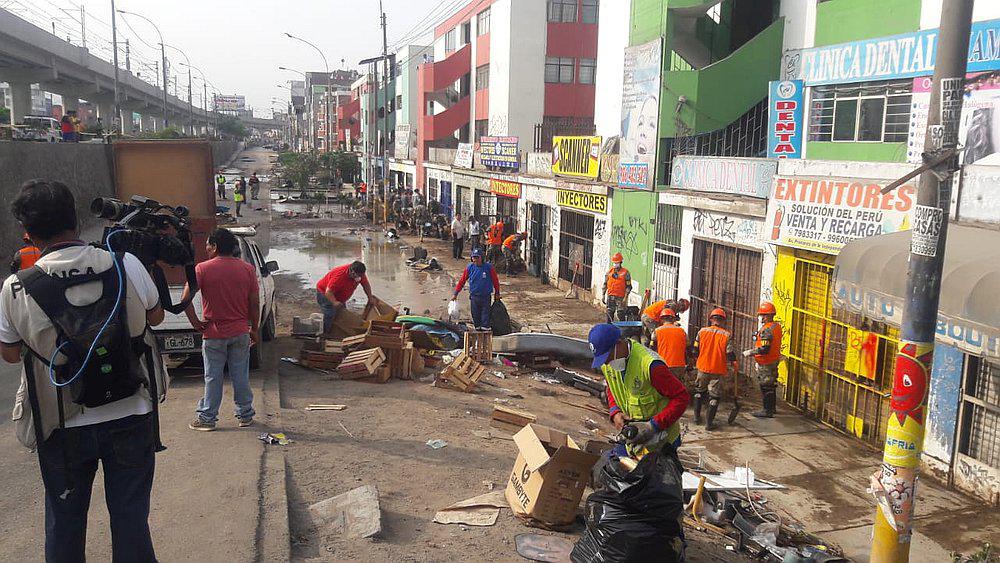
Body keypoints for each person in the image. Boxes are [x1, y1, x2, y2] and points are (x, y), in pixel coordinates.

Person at [0, 179, 166, 562]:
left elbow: (11, 355)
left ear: (27, 233)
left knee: (65, 522)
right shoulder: (126, 264)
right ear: (75, 220)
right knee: (130, 520)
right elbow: (155, 315)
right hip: (131, 413)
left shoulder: (15, 287)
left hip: (62, 424)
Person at [182, 228, 259, 431]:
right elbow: (254, 303)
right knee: (240, 375)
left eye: (208, 245)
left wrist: (195, 322)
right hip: (240, 331)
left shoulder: (202, 269)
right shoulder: (247, 270)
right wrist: (255, 328)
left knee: (213, 377)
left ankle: (207, 419)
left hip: (213, 333)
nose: (206, 249)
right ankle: (245, 415)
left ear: (215, 246)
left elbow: (185, 300)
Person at [588, 323, 689, 457]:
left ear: (618, 344)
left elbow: (681, 397)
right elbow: (612, 387)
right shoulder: (609, 364)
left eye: (607, 357)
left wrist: (653, 425)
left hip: (661, 441)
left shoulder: (650, 366)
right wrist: (615, 411)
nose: (606, 363)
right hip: (634, 440)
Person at [692, 307, 737, 431]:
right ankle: (709, 424)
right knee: (714, 396)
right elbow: (729, 353)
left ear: (711, 319)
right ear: (723, 321)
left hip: (702, 367)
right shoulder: (727, 335)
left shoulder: (701, 332)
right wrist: (734, 362)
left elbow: (695, 350)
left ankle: (696, 418)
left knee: (699, 392)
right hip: (717, 370)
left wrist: (698, 359)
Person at [744, 302, 783, 418]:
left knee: (765, 386)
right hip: (773, 359)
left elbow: (764, 349)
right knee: (771, 384)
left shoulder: (767, 330)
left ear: (769, 316)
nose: (762, 318)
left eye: (764, 315)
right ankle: (772, 408)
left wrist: (750, 352)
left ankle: (767, 410)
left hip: (766, 362)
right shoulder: (776, 326)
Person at [316, 261, 373, 335]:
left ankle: (336, 331)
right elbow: (328, 292)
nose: (359, 278)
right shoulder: (339, 276)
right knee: (330, 314)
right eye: (357, 276)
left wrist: (370, 297)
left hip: (339, 295)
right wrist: (334, 302)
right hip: (324, 293)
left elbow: (365, 284)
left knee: (341, 314)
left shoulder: (359, 274)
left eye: (361, 276)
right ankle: (324, 334)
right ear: (352, 272)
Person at [451, 248, 500, 330]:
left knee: (485, 316)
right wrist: (455, 294)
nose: (475, 260)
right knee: (475, 316)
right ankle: (478, 329)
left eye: (477, 257)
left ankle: (485, 331)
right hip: (474, 297)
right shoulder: (470, 268)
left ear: (482, 258)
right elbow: (462, 281)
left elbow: (495, 281)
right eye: (474, 257)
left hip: (485, 297)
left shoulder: (489, 268)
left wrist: (497, 293)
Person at [652, 308, 688, 382]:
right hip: (679, 365)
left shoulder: (657, 331)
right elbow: (688, 346)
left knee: (664, 385)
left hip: (663, 364)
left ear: (661, 319)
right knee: (678, 386)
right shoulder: (682, 331)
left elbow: (652, 348)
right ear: (673, 319)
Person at [602, 253, 631, 322]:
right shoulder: (609, 272)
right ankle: (609, 329)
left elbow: (629, 286)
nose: (615, 264)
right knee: (609, 314)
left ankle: (622, 330)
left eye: (617, 263)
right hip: (610, 296)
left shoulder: (625, 273)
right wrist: (603, 295)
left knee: (621, 314)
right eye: (614, 263)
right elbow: (605, 284)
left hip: (621, 297)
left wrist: (625, 298)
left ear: (620, 263)